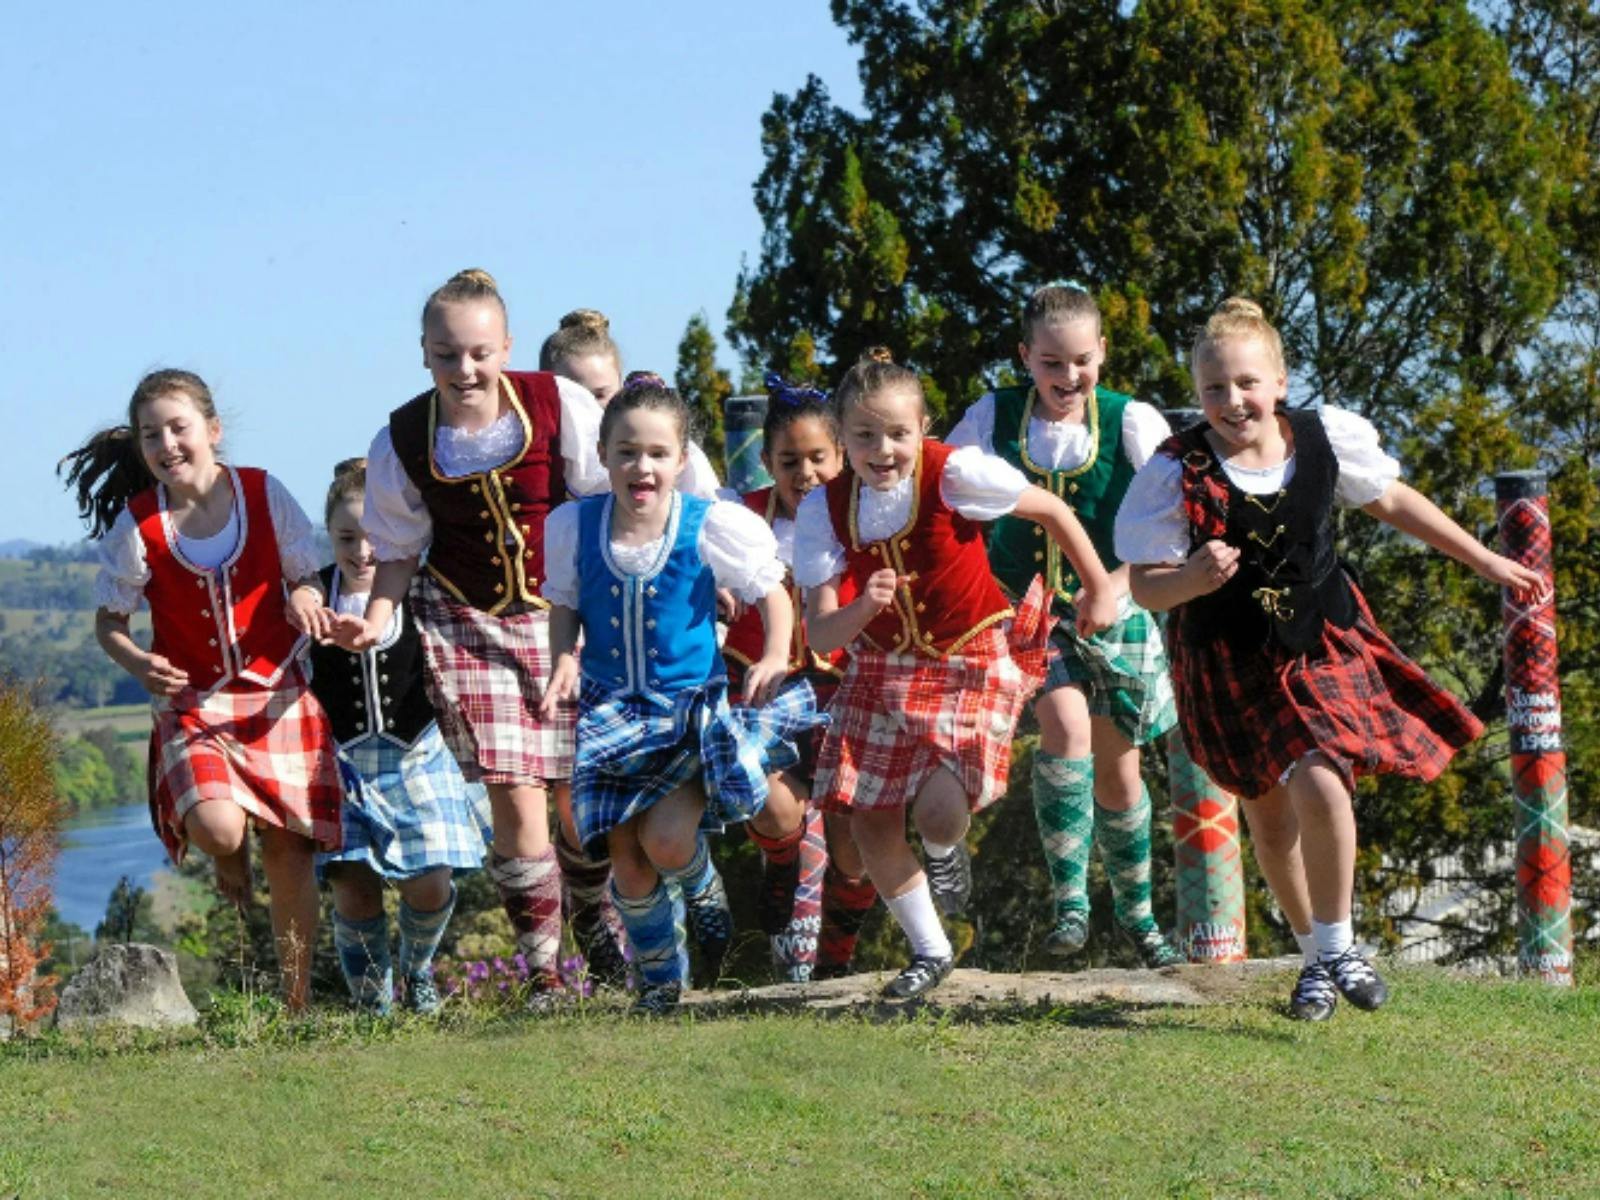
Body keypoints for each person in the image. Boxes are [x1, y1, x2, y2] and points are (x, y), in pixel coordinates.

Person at [1114, 297, 1546, 1020]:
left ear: (1280, 382)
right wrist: (1190, 578)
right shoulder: (1175, 469)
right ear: (1197, 394)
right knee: (1268, 817)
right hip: (1227, 658)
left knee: (1322, 779)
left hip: (1320, 640)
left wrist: (1485, 560)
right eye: (1215, 388)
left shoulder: (1324, 438)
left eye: (1247, 382)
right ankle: (1314, 956)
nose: (1232, 400)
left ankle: (1339, 947)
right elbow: (1145, 585)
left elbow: (1393, 501)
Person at [793, 351, 1118, 999]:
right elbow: (820, 633)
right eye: (864, 436)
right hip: (881, 669)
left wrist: (1100, 587)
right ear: (841, 438)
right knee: (868, 820)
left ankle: (944, 854)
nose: (883, 450)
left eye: (898, 433)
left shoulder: (954, 474)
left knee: (940, 814)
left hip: (969, 656)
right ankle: (930, 949)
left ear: (923, 429)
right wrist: (862, 608)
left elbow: (1053, 512)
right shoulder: (825, 509)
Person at [334, 268, 609, 1008]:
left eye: (480, 353)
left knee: (579, 800)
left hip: (565, 611)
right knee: (516, 798)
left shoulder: (558, 404)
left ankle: (594, 915)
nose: (465, 369)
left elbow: (601, 503)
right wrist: (376, 621)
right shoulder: (402, 438)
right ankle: (545, 975)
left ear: (507, 347)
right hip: (468, 623)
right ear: (424, 353)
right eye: (447, 355)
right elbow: (399, 552)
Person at [540, 373, 823, 1014]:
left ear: (680, 460)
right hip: (611, 712)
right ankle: (661, 981)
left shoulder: (707, 524)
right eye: (627, 452)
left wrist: (775, 653)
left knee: (666, 842)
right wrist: (562, 659)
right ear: (604, 456)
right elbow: (565, 603)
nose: (642, 466)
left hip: (685, 712)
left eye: (657, 453)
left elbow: (771, 590)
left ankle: (702, 886)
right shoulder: (576, 527)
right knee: (626, 856)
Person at [62, 368, 341, 1010]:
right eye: (150, 434)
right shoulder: (138, 526)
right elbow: (109, 624)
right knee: (219, 830)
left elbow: (304, 576)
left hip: (276, 689)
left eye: (178, 427)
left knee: (290, 851)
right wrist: (139, 663)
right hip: (193, 701)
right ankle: (227, 853)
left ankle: (296, 1001)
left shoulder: (264, 493)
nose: (166, 444)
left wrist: (304, 598)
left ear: (212, 430)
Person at [947, 282, 1183, 968]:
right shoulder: (992, 416)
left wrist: (1114, 587)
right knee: (1065, 724)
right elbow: (944, 489)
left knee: (1120, 773)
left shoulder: (1132, 421)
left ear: (1102, 352)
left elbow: (1176, 521)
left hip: (1118, 602)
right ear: (1025, 357)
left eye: (1082, 360)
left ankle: (1138, 915)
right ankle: (1071, 903)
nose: (1069, 376)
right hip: (1028, 614)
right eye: (1051, 362)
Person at [310, 459, 493, 1014]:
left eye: (373, 537)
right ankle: (372, 1006)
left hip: (416, 753)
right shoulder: (312, 596)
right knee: (352, 885)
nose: (362, 551)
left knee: (431, 881)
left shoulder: (420, 590)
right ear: (329, 534)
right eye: (347, 537)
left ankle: (416, 970)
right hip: (340, 762)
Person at [720, 373, 877, 982]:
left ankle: (835, 963)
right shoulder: (739, 519)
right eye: (789, 461)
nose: (805, 473)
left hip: (847, 691)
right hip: (763, 691)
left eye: (818, 458)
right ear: (766, 463)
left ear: (841, 457)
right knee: (769, 802)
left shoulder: (865, 515)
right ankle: (783, 863)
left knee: (853, 843)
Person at [539, 307, 721, 495]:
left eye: (599, 395)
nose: (587, 406)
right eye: (572, 396)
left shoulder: (672, 449)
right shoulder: (531, 449)